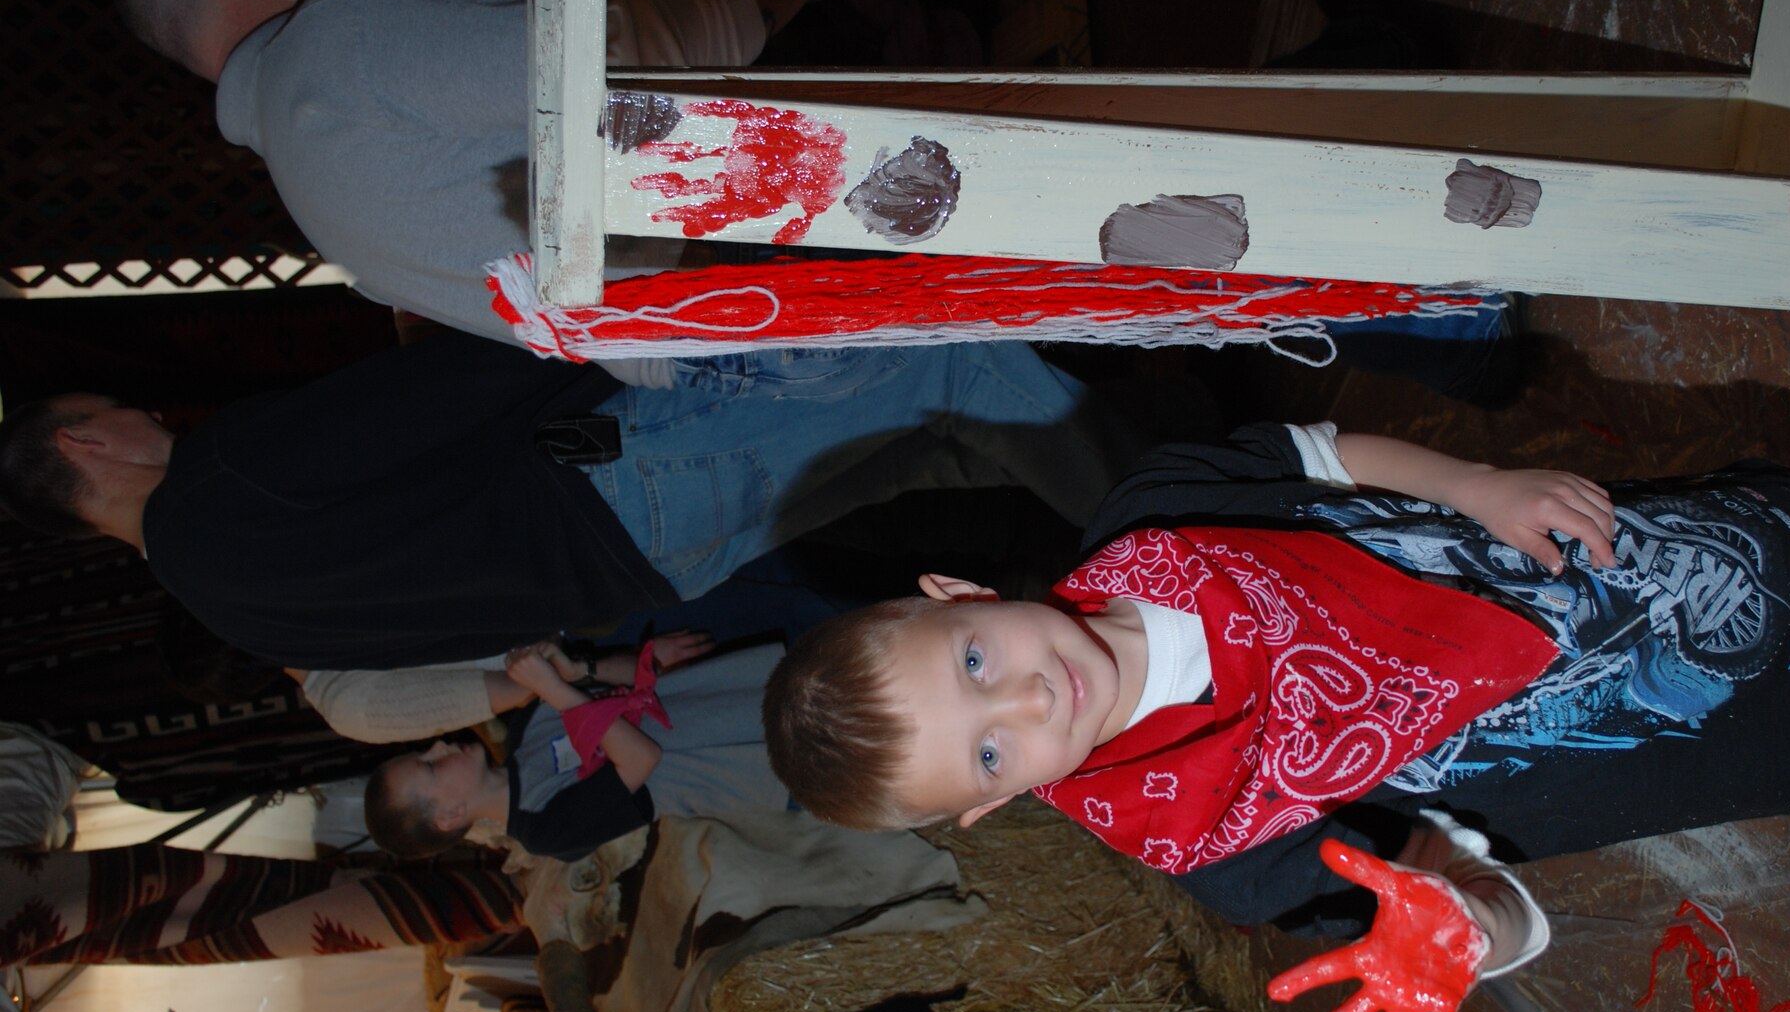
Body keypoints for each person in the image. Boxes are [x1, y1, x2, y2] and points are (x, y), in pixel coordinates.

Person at [763, 420, 1790, 986]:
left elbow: (1319, 453)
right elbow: (1471, 901)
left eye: (974, 658)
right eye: (990, 749)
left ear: (957, 589)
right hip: (1712, 730)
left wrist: (1477, 484)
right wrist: (1467, 934)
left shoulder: (1156, 511)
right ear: (996, 806)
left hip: (1655, 559)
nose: (1031, 694)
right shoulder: (1231, 853)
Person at [0, 328, 1144, 670]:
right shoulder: (215, 479)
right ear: (83, 440)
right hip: (619, 469)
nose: (150, 417)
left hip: (644, 568)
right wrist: (587, 333)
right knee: (942, 372)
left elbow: (461, 641)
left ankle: (1184, 440)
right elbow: (423, 395)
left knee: (919, 448)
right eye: (120, 408)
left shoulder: (233, 618)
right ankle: (1197, 537)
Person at [110, 0, 899, 374]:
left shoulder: (312, 203)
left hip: (718, 356)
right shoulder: (331, 39)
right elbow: (618, 56)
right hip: (780, 262)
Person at [365, 633, 788, 862]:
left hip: (747, 687)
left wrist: (584, 668)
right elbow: (641, 758)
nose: (438, 745)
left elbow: (617, 683)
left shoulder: (524, 729)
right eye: (430, 767)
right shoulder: (545, 831)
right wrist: (553, 688)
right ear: (452, 815)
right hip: (769, 758)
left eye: (425, 751)